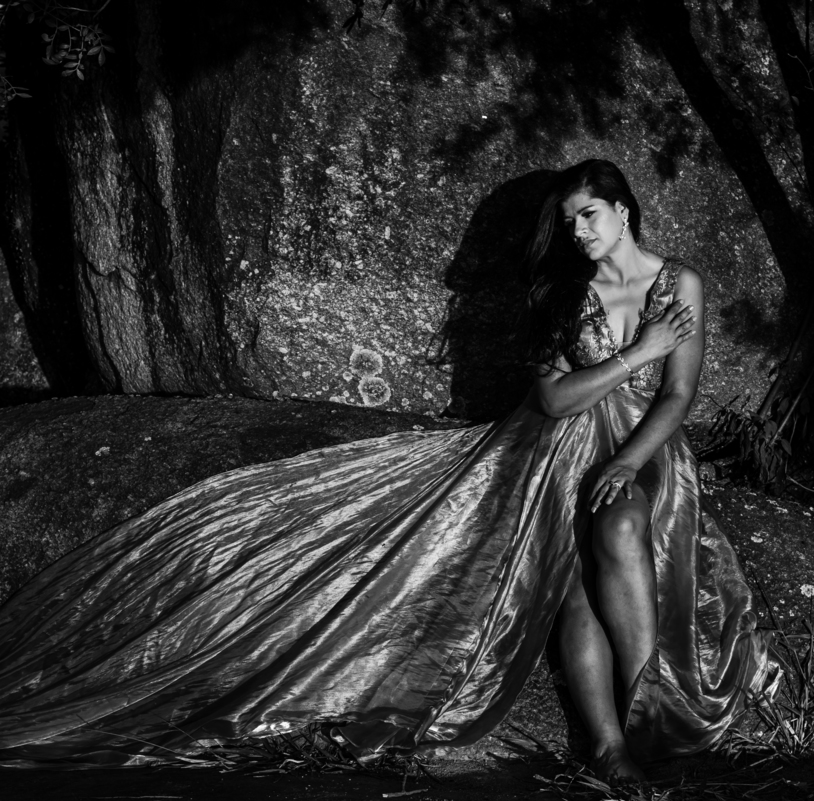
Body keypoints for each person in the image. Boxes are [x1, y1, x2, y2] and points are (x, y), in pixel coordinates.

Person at [0, 159, 772, 780]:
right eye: (568, 221)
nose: (578, 231)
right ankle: (607, 748)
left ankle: (651, 714)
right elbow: (553, 396)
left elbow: (678, 397)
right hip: (557, 448)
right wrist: (638, 351)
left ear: (624, 210)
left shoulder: (681, 283)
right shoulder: (565, 292)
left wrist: (629, 459)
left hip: (646, 446)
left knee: (623, 525)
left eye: (589, 215)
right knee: (567, 584)